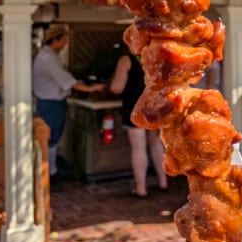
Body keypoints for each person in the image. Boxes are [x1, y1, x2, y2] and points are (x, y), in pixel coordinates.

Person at [32, 24, 105, 177]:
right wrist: (92, 89)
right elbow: (69, 82)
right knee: (50, 137)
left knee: (51, 137)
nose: (65, 45)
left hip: (50, 102)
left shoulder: (48, 55)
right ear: (55, 40)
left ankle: (50, 171)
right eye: (64, 41)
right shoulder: (48, 58)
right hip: (50, 103)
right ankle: (49, 174)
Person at [109, 50, 168, 196]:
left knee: (138, 148)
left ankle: (141, 188)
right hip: (154, 107)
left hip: (135, 108)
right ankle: (163, 181)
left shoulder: (126, 59)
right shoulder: (156, 55)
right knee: (155, 143)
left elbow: (117, 87)